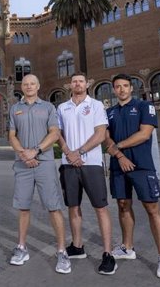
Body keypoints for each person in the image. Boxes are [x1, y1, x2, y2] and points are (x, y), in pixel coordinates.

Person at [104, 74, 160, 280]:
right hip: (118, 166)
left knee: (152, 208)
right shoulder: (109, 112)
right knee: (123, 205)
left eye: (125, 86)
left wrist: (118, 147)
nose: (122, 90)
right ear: (114, 90)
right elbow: (105, 139)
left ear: (131, 88)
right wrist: (119, 155)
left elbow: (145, 134)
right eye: (118, 87)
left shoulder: (145, 106)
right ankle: (127, 247)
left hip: (142, 166)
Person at [8, 74, 71, 274]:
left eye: (32, 83)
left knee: (54, 207)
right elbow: (11, 135)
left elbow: (54, 133)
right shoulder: (15, 108)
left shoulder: (48, 107)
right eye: (25, 84)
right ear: (22, 87)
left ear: (38, 86)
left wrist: (35, 151)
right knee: (23, 207)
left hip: (43, 162)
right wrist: (24, 155)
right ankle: (21, 248)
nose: (28, 86)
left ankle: (62, 251)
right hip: (22, 164)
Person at [57, 73, 116, 275]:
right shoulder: (62, 107)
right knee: (73, 207)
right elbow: (59, 135)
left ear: (87, 84)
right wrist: (68, 153)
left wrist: (79, 152)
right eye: (74, 81)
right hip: (68, 164)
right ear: (69, 85)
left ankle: (108, 254)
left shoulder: (97, 105)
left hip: (91, 163)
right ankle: (78, 246)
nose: (77, 84)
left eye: (81, 81)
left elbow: (100, 134)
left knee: (100, 207)